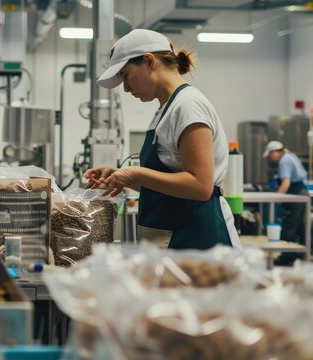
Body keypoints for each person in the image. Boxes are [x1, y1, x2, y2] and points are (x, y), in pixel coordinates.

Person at [86, 28, 240, 250]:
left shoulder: (187, 106)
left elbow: (200, 186)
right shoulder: (165, 110)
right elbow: (171, 185)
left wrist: (135, 173)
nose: (126, 88)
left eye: (126, 76)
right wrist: (124, 178)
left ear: (149, 61)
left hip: (200, 240)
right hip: (177, 238)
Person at [264, 140, 308, 265]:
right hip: (301, 192)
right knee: (299, 226)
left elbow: (286, 183)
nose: (270, 158)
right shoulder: (290, 156)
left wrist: (275, 199)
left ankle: (286, 257)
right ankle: (298, 256)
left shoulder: (284, 161)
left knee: (290, 226)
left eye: (270, 155)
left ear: (275, 152)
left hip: (296, 194)